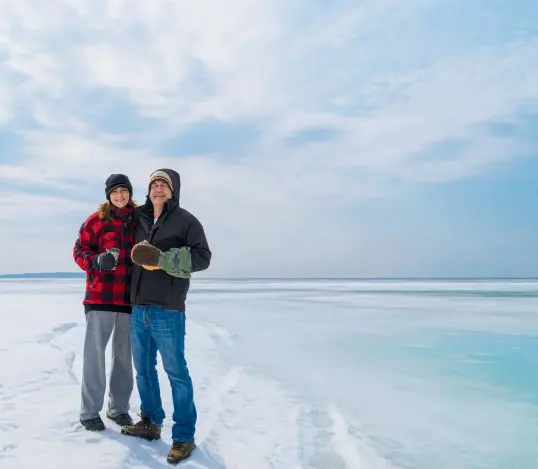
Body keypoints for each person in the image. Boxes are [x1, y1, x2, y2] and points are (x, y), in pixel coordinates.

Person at [120, 168, 211, 465]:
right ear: (148, 190)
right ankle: (150, 422)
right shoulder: (139, 219)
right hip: (139, 308)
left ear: (173, 191)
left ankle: (184, 437)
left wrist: (163, 260)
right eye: (154, 184)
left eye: (164, 184)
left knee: (176, 373)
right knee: (144, 370)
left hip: (168, 309)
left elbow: (202, 257)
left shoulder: (186, 220)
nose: (158, 188)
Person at [73, 174, 137, 431]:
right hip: (100, 298)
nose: (120, 195)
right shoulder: (96, 221)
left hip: (129, 300)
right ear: (108, 195)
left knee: (124, 359)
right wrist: (96, 260)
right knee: (94, 357)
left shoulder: (138, 221)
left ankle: (119, 409)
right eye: (115, 191)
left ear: (130, 194)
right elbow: (79, 251)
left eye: (124, 191)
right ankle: (89, 411)